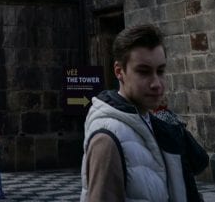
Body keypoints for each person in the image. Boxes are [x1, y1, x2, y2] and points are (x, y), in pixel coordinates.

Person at [81, 23, 208, 202]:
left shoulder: (152, 123)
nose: (156, 83)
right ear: (119, 71)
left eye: (160, 71)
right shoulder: (107, 140)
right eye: (144, 72)